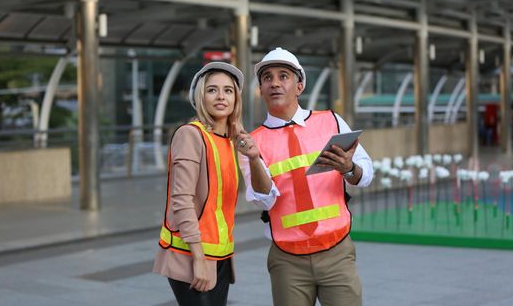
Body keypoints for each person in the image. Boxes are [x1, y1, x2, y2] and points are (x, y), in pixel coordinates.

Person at [236, 47, 373, 306]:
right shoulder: (251, 143)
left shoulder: (331, 121)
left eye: (283, 76)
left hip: (337, 252)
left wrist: (348, 168)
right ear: (261, 90)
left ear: (299, 86)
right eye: (267, 78)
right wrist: (254, 158)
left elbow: (365, 175)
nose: (275, 82)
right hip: (287, 260)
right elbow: (263, 202)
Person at [153, 61, 244, 306]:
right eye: (212, 89)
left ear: (236, 98)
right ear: (200, 96)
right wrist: (199, 259)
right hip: (192, 255)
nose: (221, 96)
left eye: (228, 90)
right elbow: (181, 199)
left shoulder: (229, 141)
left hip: (221, 256)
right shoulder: (190, 135)